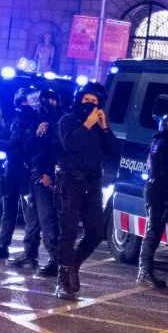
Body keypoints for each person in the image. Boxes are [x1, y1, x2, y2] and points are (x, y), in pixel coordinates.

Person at [54, 87, 120, 298]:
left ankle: (73, 264)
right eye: (86, 99)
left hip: (93, 182)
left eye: (94, 101)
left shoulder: (99, 127)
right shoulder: (68, 120)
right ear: (79, 100)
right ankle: (62, 277)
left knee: (96, 231)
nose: (90, 104)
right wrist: (88, 123)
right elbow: (71, 144)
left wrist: (105, 127)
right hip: (71, 180)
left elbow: (114, 152)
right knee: (69, 230)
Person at [0, 88, 40, 261]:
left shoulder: (33, 120)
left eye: (26, 102)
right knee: (8, 209)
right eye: (21, 102)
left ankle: (30, 252)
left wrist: (1, 144)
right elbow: (9, 137)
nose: (24, 105)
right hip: (12, 169)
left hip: (25, 170)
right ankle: (3, 245)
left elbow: (17, 143)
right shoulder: (15, 118)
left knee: (30, 212)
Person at [138, 110, 168, 290]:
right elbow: (165, 172)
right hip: (158, 191)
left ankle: (146, 271)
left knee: (156, 231)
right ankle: (144, 272)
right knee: (153, 231)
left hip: (162, 191)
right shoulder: (163, 143)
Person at [25, 86, 65, 276]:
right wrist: (36, 133)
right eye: (48, 101)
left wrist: (46, 174)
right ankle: (29, 254)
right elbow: (30, 148)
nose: (51, 104)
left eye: (53, 101)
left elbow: (54, 152)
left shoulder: (58, 122)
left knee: (47, 218)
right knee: (33, 217)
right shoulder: (36, 120)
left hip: (46, 175)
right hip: (35, 174)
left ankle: (55, 260)